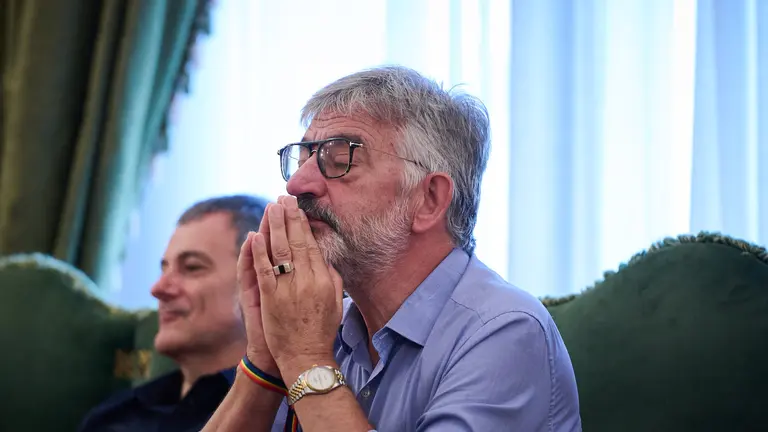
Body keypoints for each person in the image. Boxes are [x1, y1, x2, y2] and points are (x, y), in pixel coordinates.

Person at [203, 66, 582, 432]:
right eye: (301, 160)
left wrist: (305, 359)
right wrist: (267, 358)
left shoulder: (505, 332)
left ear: (429, 199)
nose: (298, 184)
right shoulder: (322, 322)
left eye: (339, 160)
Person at [79, 194, 269, 432]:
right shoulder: (115, 415)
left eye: (191, 267)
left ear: (259, 282)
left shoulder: (292, 414)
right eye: (164, 269)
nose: (158, 288)